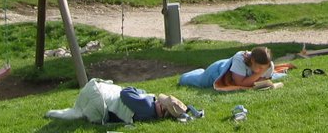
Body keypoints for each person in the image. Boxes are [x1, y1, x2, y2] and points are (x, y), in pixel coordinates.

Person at [45, 77, 191, 123]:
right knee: (75, 112)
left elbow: (126, 93)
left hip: (98, 97)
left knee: (76, 112)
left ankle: (50, 113)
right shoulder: (150, 110)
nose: (158, 100)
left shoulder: (147, 105)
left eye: (161, 102)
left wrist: (138, 91)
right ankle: (52, 113)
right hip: (101, 98)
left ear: (162, 109)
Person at [178, 46, 275, 90]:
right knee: (199, 82)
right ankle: (190, 74)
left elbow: (265, 79)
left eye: (264, 68)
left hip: (233, 69)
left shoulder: (269, 66)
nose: (262, 70)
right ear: (253, 61)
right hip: (217, 70)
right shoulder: (240, 59)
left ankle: (200, 71)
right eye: (259, 67)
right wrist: (258, 74)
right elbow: (240, 83)